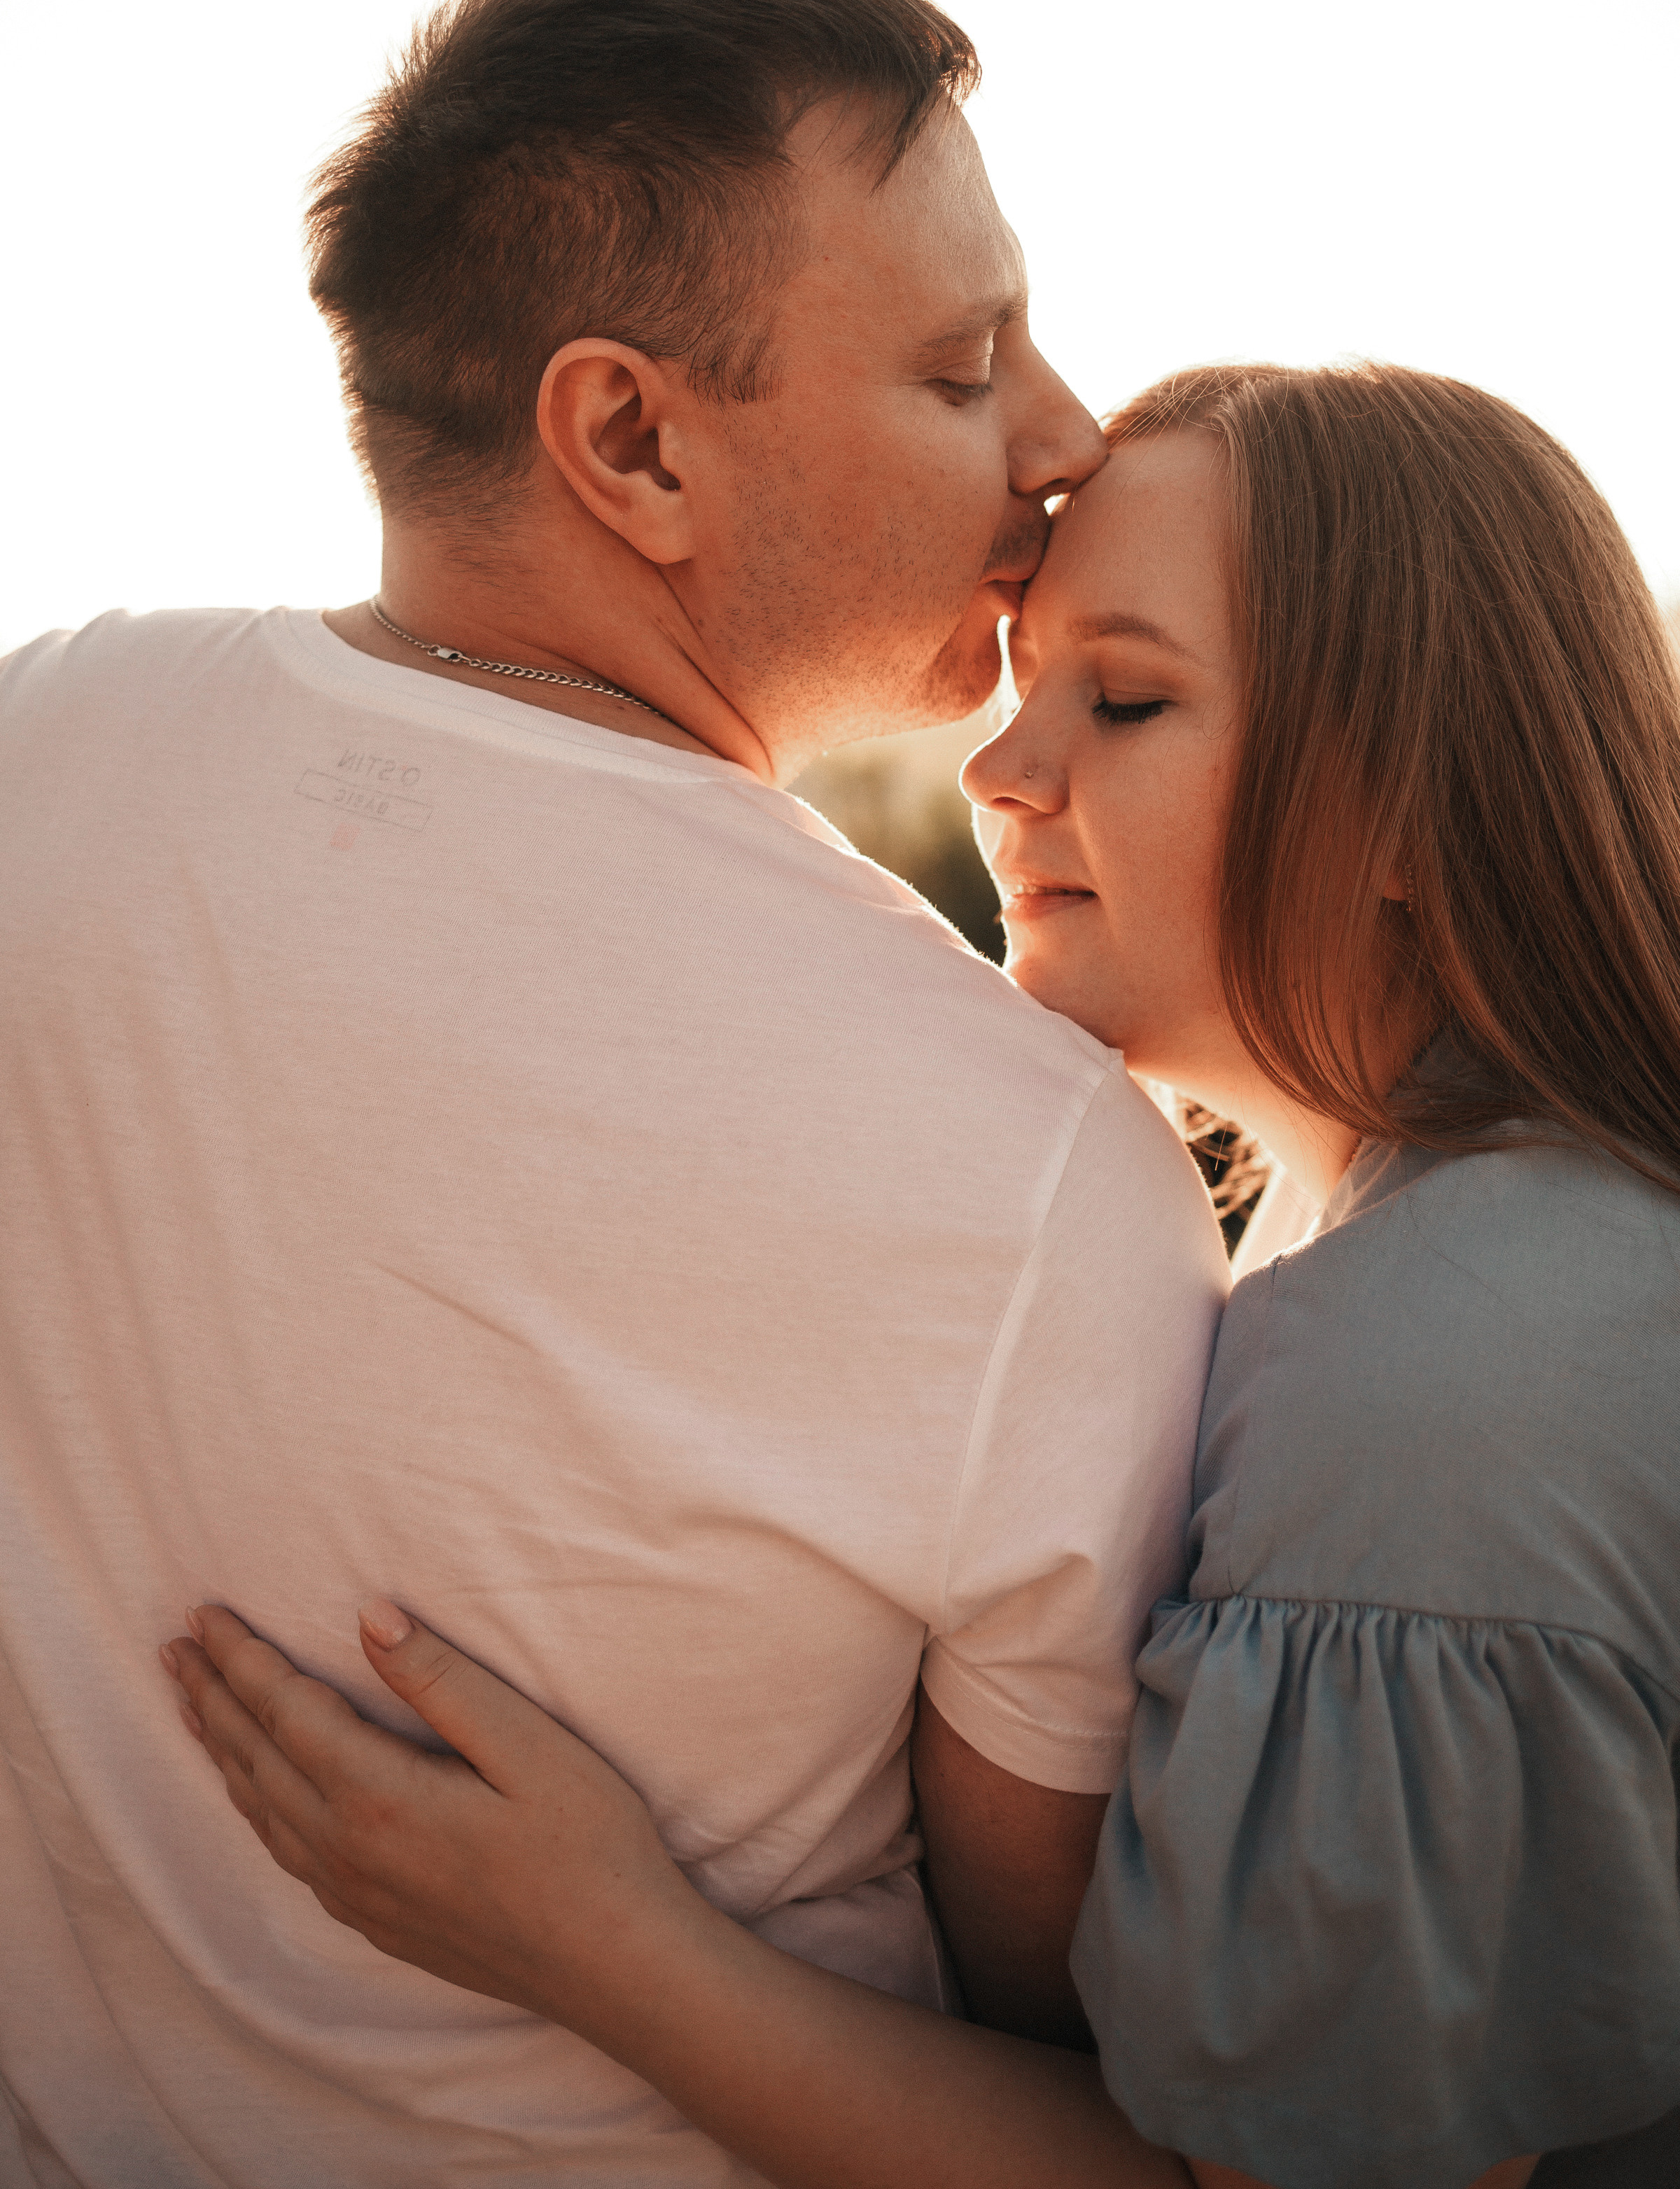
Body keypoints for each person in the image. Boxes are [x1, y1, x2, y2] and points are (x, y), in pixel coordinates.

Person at [0, 0, 1233, 2185]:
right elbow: (1107, 2085)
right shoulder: (1035, 1160)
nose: (1068, 443)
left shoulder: (41, 748)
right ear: (632, 440)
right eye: (967, 369)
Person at [167, 361, 1680, 2189]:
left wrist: (597, 1946)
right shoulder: (1464, 1235)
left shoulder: (1432, 1409)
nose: (997, 768)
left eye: (1122, 698)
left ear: (1411, 807)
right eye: (1030, 680)